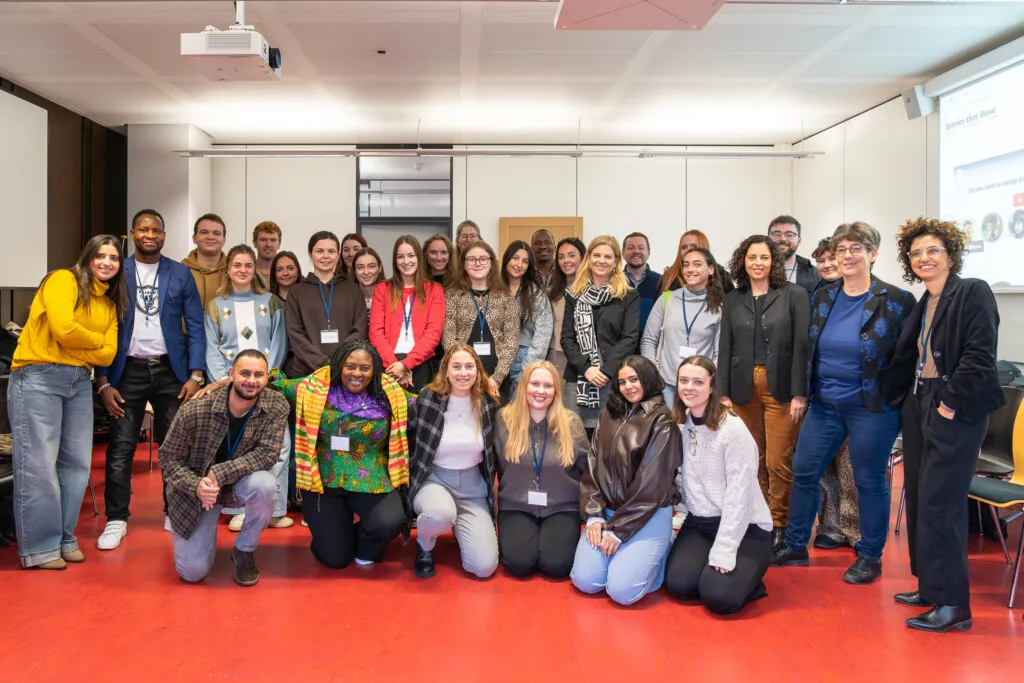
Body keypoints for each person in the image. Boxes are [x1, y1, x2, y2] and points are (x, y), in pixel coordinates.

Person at [771, 222, 916, 585]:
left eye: (856, 248)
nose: (847, 255)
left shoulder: (897, 300)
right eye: (841, 250)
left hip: (873, 408)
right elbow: (808, 349)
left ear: (873, 254)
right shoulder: (823, 297)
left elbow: (908, 358)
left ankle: (870, 555)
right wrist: (803, 392)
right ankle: (795, 545)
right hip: (825, 405)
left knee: (868, 480)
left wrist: (896, 400)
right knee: (804, 472)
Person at [886, 217, 1004, 632]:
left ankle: (954, 605)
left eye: (933, 250)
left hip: (954, 406)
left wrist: (948, 405)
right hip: (920, 402)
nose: (925, 258)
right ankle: (931, 587)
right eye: (916, 253)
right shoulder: (926, 301)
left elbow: (979, 357)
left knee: (942, 505)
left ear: (951, 256)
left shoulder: (972, 291)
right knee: (920, 499)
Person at [8, 234, 124, 569]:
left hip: (79, 382)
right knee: (39, 465)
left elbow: (108, 353)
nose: (107, 262)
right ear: (88, 257)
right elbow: (63, 329)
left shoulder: (108, 304)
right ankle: (40, 548)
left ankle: (64, 538)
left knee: (76, 464)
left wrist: (79, 344)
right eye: (100, 255)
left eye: (114, 258)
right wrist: (93, 342)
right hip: (38, 376)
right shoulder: (62, 280)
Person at [95, 209, 206, 551]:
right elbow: (99, 324)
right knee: (121, 446)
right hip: (126, 370)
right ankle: (116, 519)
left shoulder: (180, 273)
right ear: (133, 233)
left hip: (171, 371)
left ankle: (175, 511)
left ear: (163, 235)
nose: (150, 235)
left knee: (174, 447)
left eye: (156, 230)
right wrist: (103, 381)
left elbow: (196, 325)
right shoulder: (118, 270)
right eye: (143, 229)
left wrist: (196, 374)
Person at [269, 341, 412, 569]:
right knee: (334, 559)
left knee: (389, 522)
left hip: (371, 476)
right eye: (350, 366)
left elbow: (427, 402)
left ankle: (365, 546)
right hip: (323, 480)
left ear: (374, 370)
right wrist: (230, 383)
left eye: (364, 368)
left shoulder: (390, 395)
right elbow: (276, 383)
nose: (357, 373)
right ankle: (336, 538)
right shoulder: (313, 389)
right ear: (338, 366)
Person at [161, 350, 289, 586]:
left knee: (266, 485)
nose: (251, 380)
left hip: (238, 484)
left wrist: (220, 473)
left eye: (258, 375)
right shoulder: (194, 409)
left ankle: (244, 549)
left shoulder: (276, 404)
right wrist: (196, 485)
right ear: (231, 374)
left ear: (266, 378)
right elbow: (168, 459)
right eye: (244, 373)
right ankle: (203, 535)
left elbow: (268, 454)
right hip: (197, 492)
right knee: (192, 573)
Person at [717, 234, 809, 552]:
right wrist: (722, 394)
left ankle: (780, 525)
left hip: (782, 390)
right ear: (742, 262)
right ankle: (758, 519)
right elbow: (725, 347)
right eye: (752, 257)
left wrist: (800, 393)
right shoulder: (733, 298)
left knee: (778, 461)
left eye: (764, 257)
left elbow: (802, 346)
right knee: (750, 460)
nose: (758, 263)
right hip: (741, 390)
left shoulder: (794, 295)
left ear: (774, 261)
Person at [664, 356, 772, 614]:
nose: (689, 387)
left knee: (719, 597)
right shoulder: (682, 423)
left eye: (698, 382)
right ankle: (713, 570)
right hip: (701, 523)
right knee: (680, 585)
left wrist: (725, 549)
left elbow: (740, 497)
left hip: (745, 526)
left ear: (712, 386)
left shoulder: (732, 430)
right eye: (684, 381)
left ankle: (749, 580)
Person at [570, 356, 681, 605]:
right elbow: (593, 465)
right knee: (585, 581)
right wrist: (594, 515)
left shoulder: (663, 422)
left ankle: (664, 545)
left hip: (647, 515)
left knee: (622, 592)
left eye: (634, 379)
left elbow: (651, 486)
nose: (628, 386)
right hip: (608, 511)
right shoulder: (609, 415)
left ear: (648, 379)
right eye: (622, 382)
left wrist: (619, 531)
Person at [204, 244, 291, 531]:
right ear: (227, 269)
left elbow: (278, 342)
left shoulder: (272, 302)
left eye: (248, 265)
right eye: (237, 265)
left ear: (255, 270)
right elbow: (211, 347)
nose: (242, 270)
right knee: (240, 446)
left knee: (279, 445)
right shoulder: (216, 306)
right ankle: (241, 508)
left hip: (267, 385)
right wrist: (227, 380)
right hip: (232, 387)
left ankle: (275, 509)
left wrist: (264, 378)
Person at [407, 343, 501, 579]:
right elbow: (409, 441)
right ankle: (425, 543)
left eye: (469, 366)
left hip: (473, 489)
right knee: (439, 514)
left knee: (484, 567)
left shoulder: (488, 404)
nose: (463, 373)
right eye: (456, 366)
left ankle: (462, 527)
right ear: (446, 371)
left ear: (478, 371)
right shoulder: (427, 399)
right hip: (434, 480)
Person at [495, 361, 588, 579]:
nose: (541, 391)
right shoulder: (504, 420)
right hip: (516, 504)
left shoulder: (571, 423)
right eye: (535, 384)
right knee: (519, 565)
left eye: (548, 386)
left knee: (557, 567)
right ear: (523, 386)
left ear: (556, 390)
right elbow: (496, 464)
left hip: (562, 506)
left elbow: (588, 470)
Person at [808, 237, 859, 550]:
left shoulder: (866, 295)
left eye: (832, 258)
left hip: (856, 398)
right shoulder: (817, 296)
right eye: (821, 260)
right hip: (821, 395)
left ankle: (855, 531)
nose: (827, 265)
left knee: (851, 470)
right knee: (824, 471)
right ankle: (830, 527)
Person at [561, 236, 640, 434]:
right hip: (579, 377)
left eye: (607, 256)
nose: (601, 261)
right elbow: (567, 338)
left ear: (616, 261)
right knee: (574, 437)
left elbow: (630, 338)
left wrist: (605, 371)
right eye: (596, 255)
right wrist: (586, 368)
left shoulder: (628, 295)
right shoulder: (574, 294)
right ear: (588, 258)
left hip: (612, 379)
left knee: (609, 436)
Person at [641, 246, 725, 409]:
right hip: (666, 385)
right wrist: (655, 376)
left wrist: (707, 382)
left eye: (697, 264)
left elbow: (718, 352)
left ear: (711, 269)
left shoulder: (719, 306)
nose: (690, 269)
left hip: (700, 388)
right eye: (686, 265)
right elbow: (649, 341)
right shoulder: (667, 299)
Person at [284, 231, 367, 378]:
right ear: (310, 254)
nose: (326, 256)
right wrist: (323, 363)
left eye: (331, 251)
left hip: (345, 371)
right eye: (320, 251)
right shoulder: (296, 292)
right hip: (306, 372)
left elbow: (359, 330)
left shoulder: (353, 290)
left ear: (338, 255)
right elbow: (295, 333)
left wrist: (339, 360)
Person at [442, 240, 520, 396]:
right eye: (471, 259)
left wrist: (497, 378)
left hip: (497, 377)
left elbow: (511, 342)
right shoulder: (452, 296)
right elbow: (448, 338)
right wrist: (462, 371)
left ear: (491, 263)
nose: (478, 263)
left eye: (483, 259)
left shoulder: (505, 297)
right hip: (462, 376)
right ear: (464, 264)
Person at [369, 235, 445, 392]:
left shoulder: (434, 290)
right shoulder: (382, 289)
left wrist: (405, 365)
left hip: (421, 364)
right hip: (388, 363)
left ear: (419, 258)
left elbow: (433, 333)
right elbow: (376, 331)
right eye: (400, 257)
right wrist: (394, 366)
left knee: (419, 407)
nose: (406, 261)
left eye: (411, 255)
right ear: (395, 261)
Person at [501, 240, 553, 397]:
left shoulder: (535, 293)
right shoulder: (493, 288)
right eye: (515, 258)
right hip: (495, 357)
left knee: (517, 409)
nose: (519, 265)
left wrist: (527, 369)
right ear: (506, 259)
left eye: (525, 261)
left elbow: (543, 333)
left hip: (523, 356)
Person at [546, 237, 586, 382]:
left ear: (583, 257)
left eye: (571, 255)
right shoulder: (551, 292)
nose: (566, 261)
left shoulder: (594, 290)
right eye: (561, 257)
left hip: (587, 356)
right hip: (557, 355)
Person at [622, 232, 660, 352]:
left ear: (648, 252)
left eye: (641, 247)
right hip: (619, 349)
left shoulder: (661, 281)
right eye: (631, 248)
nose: (636, 251)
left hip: (651, 349)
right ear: (623, 253)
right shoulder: (613, 282)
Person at [182, 213, 228, 309]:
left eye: (216, 233)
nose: (210, 237)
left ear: (224, 240)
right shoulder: (180, 272)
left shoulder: (234, 272)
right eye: (204, 232)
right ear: (194, 238)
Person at [767, 215, 819, 293]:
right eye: (777, 234)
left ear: (799, 241)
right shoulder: (756, 270)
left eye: (789, 235)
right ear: (768, 239)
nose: (782, 239)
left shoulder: (815, 274)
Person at [352, 247, 385, 311]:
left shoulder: (391, 296)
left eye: (371, 266)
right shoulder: (348, 298)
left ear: (380, 268)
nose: (366, 272)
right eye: (360, 267)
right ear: (354, 270)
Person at [252, 220, 281, 291]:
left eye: (273, 240)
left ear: (279, 244)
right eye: (263, 240)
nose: (268, 244)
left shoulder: (287, 274)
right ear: (254, 243)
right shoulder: (246, 272)